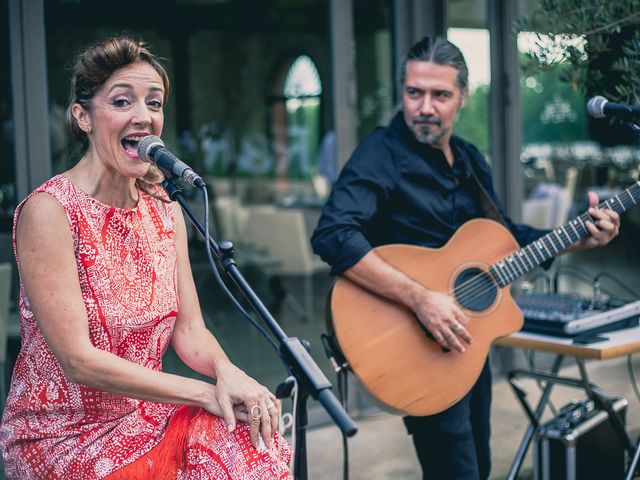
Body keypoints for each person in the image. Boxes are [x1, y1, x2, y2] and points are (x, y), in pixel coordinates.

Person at [311, 36, 620, 480]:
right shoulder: (382, 153)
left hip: (467, 340)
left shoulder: (470, 159)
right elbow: (333, 235)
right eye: (414, 93)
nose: (425, 107)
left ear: (463, 98)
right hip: (414, 343)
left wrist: (580, 237)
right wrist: (420, 298)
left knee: (479, 463)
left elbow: (507, 240)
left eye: (440, 95)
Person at [0, 37, 291, 480]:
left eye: (154, 103)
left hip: (141, 418)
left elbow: (190, 331)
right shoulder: (50, 212)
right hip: (60, 435)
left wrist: (227, 372)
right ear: (83, 117)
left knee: (251, 444)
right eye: (122, 101)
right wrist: (204, 393)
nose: (144, 116)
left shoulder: (165, 208)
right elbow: (78, 360)